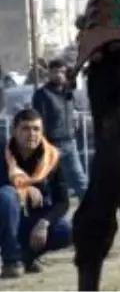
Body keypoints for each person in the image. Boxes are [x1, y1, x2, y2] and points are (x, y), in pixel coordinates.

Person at [0, 109, 72, 277]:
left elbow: (63, 201)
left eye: (36, 129)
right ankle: (11, 261)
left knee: (65, 229)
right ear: (14, 131)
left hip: (30, 222)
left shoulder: (51, 158)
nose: (31, 134)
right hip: (4, 221)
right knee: (7, 194)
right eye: (25, 128)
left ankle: (26, 257)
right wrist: (22, 188)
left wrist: (44, 223)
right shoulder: (3, 154)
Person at [30, 59, 87, 198]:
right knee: (46, 183)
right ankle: (44, 214)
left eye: (61, 71)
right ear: (49, 73)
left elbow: (76, 109)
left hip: (69, 143)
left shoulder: (68, 92)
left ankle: (90, 213)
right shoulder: (42, 94)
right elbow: (38, 122)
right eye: (55, 71)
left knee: (80, 181)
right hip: (51, 144)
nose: (58, 75)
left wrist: (75, 119)